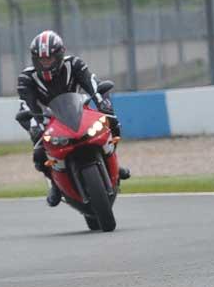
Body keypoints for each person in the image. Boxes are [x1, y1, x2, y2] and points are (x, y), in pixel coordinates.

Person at [16, 30, 130, 206]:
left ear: (60, 55)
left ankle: (113, 161)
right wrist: (34, 125)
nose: (45, 64)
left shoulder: (74, 64)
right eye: (41, 60)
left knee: (112, 123)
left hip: (80, 111)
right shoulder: (26, 78)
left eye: (49, 59)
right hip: (49, 120)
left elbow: (93, 83)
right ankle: (55, 183)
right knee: (39, 153)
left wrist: (103, 103)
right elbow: (26, 105)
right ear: (34, 59)